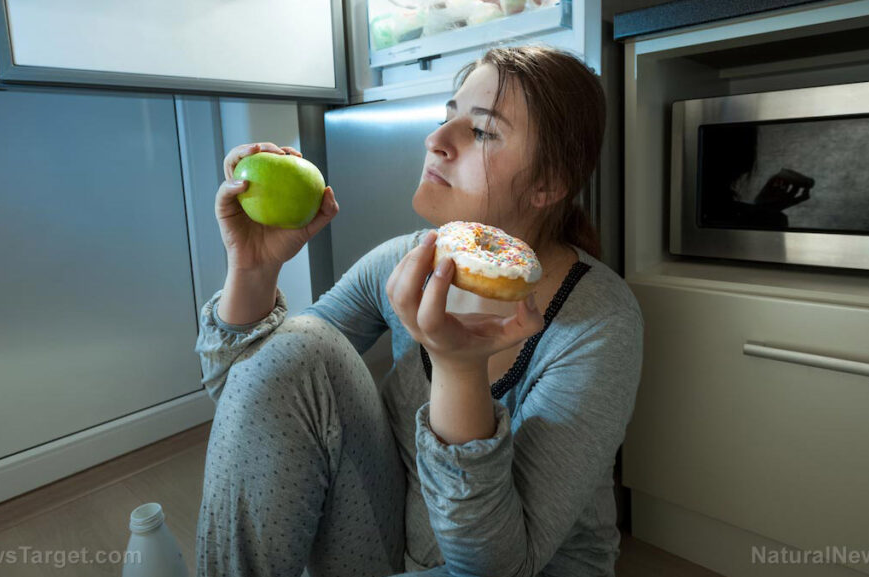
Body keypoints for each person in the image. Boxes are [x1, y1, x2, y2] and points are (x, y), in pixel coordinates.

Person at [194, 45, 644, 577]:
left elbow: (496, 566)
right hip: (395, 539)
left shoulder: (598, 324)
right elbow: (253, 397)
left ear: (548, 184)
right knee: (298, 345)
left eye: (481, 131)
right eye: (446, 117)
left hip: (522, 566)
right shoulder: (406, 259)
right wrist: (252, 268)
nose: (435, 140)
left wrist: (458, 368)